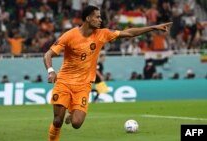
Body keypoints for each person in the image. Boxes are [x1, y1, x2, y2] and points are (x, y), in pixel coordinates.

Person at [43, 5, 172, 141]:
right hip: (64, 82)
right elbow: (48, 54)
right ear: (88, 18)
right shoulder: (70, 36)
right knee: (58, 121)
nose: (101, 19)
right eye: (97, 17)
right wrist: (51, 71)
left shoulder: (102, 34)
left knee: (76, 123)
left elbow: (129, 33)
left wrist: (154, 27)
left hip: (83, 86)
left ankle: (73, 112)